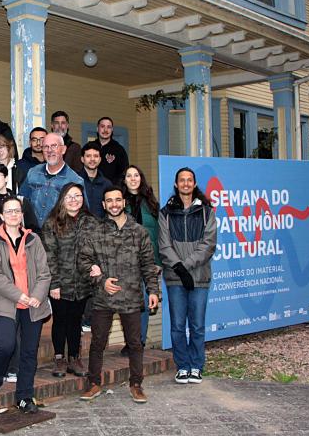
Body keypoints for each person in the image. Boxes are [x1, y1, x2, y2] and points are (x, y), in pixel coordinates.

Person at [78, 186, 161, 404]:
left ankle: (136, 384)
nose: (114, 204)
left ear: (123, 202)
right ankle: (94, 383)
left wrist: (153, 290)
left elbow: (148, 265)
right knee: (98, 343)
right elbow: (83, 261)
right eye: (109, 201)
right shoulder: (95, 232)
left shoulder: (139, 232)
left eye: (117, 200)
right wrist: (101, 280)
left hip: (132, 296)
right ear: (104, 205)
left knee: (135, 343)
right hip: (102, 298)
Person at [0, 196, 52, 414]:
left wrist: (37, 295)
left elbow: (44, 273)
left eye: (17, 211)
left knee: (29, 352)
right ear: (1, 216)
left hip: (33, 304)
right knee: (5, 344)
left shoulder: (33, 240)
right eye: (8, 211)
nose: (13, 215)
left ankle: (24, 396)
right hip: (7, 302)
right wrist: (19, 296)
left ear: (22, 215)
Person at [0, 163, 40, 377]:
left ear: (6, 178)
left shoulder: (20, 202)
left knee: (18, 322)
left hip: (20, 272)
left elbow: (34, 232)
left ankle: (15, 367)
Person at [158, 167, 217, 385]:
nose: (185, 184)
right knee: (177, 325)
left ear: (194, 184)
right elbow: (164, 246)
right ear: (176, 184)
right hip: (175, 279)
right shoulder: (165, 212)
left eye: (189, 180)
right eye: (181, 180)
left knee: (198, 325)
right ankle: (182, 366)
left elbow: (208, 244)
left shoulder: (206, 212)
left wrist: (186, 267)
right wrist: (180, 270)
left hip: (199, 277)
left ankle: (196, 366)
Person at [40, 183, 98, 378]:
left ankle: (74, 357)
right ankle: (59, 358)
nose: (74, 200)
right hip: (60, 283)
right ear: (62, 199)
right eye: (70, 196)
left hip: (83, 283)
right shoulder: (52, 223)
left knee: (76, 321)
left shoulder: (91, 222)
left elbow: (98, 250)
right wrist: (54, 283)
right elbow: (49, 255)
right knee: (61, 321)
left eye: (78, 196)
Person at [122, 164, 162, 354]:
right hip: (126, 261)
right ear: (124, 180)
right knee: (128, 303)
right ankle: (130, 341)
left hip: (148, 261)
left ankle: (139, 342)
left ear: (141, 178)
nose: (133, 178)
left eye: (136, 175)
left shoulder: (151, 203)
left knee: (144, 302)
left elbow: (160, 234)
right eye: (129, 176)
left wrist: (158, 262)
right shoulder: (119, 202)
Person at [20, 133, 85, 223]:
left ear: (63, 149)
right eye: (46, 147)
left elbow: (82, 215)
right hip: (32, 233)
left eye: (54, 146)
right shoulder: (33, 172)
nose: (49, 150)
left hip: (59, 233)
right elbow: (21, 200)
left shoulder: (75, 180)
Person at [79, 142, 111, 219]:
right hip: (78, 228)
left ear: (100, 159)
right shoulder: (75, 181)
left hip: (101, 228)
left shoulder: (107, 184)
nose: (92, 159)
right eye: (88, 156)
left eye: (96, 156)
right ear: (82, 159)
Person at [94, 117, 128, 185]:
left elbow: (124, 174)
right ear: (97, 129)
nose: (105, 130)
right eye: (102, 126)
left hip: (112, 191)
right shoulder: (89, 147)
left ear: (112, 130)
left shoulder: (119, 150)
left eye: (109, 127)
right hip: (92, 190)